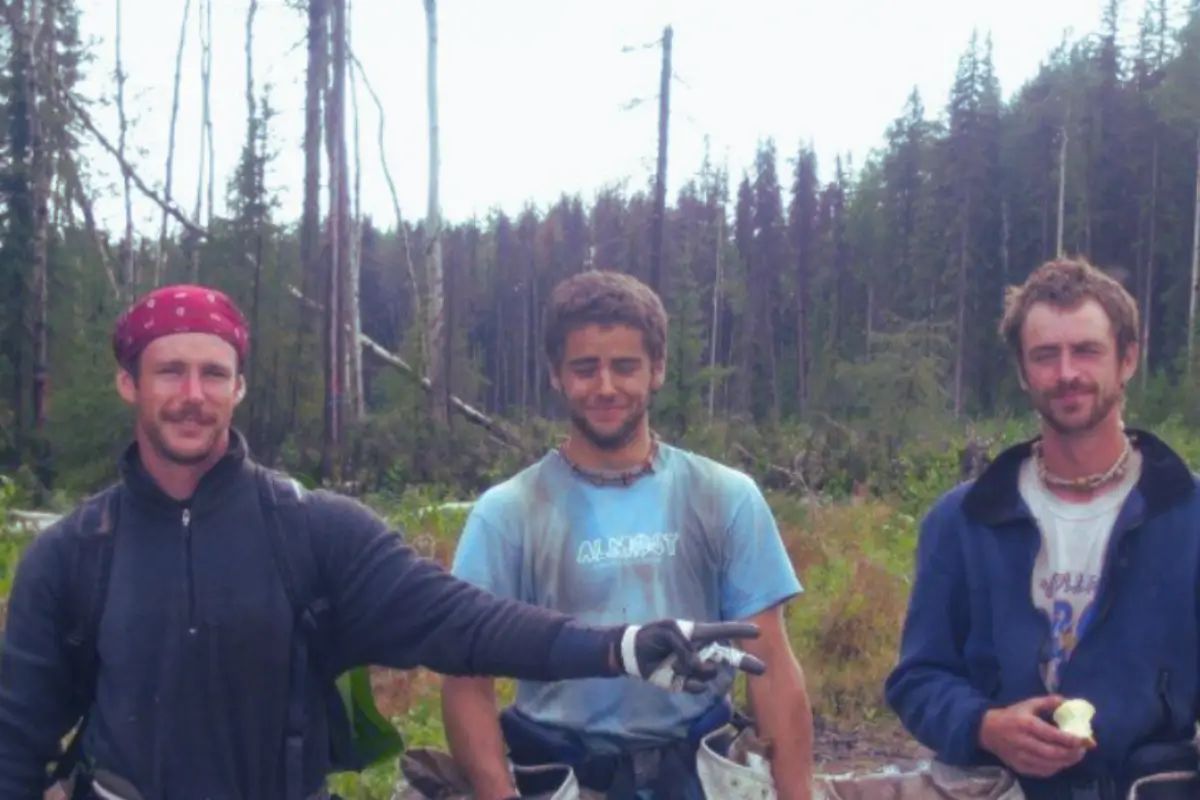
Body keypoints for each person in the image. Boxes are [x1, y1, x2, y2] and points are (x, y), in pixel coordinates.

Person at [0, 284, 759, 800]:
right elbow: (16, 740)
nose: (192, 396)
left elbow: (463, 623)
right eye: (170, 372)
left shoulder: (313, 532)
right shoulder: (73, 555)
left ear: (239, 387)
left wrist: (619, 647)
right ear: (129, 383)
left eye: (213, 374)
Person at [442, 270, 813, 800]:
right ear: (556, 374)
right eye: (585, 369)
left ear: (657, 369)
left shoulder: (723, 496)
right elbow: (465, 678)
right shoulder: (507, 513)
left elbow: (770, 665)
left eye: (624, 366)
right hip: (562, 775)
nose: (605, 387)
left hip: (697, 773)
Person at [886, 259, 1200, 799]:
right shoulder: (963, 522)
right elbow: (918, 680)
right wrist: (986, 726)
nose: (1066, 373)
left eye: (1087, 350)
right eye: (1046, 355)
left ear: (1127, 358)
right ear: (1022, 371)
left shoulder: (1187, 515)